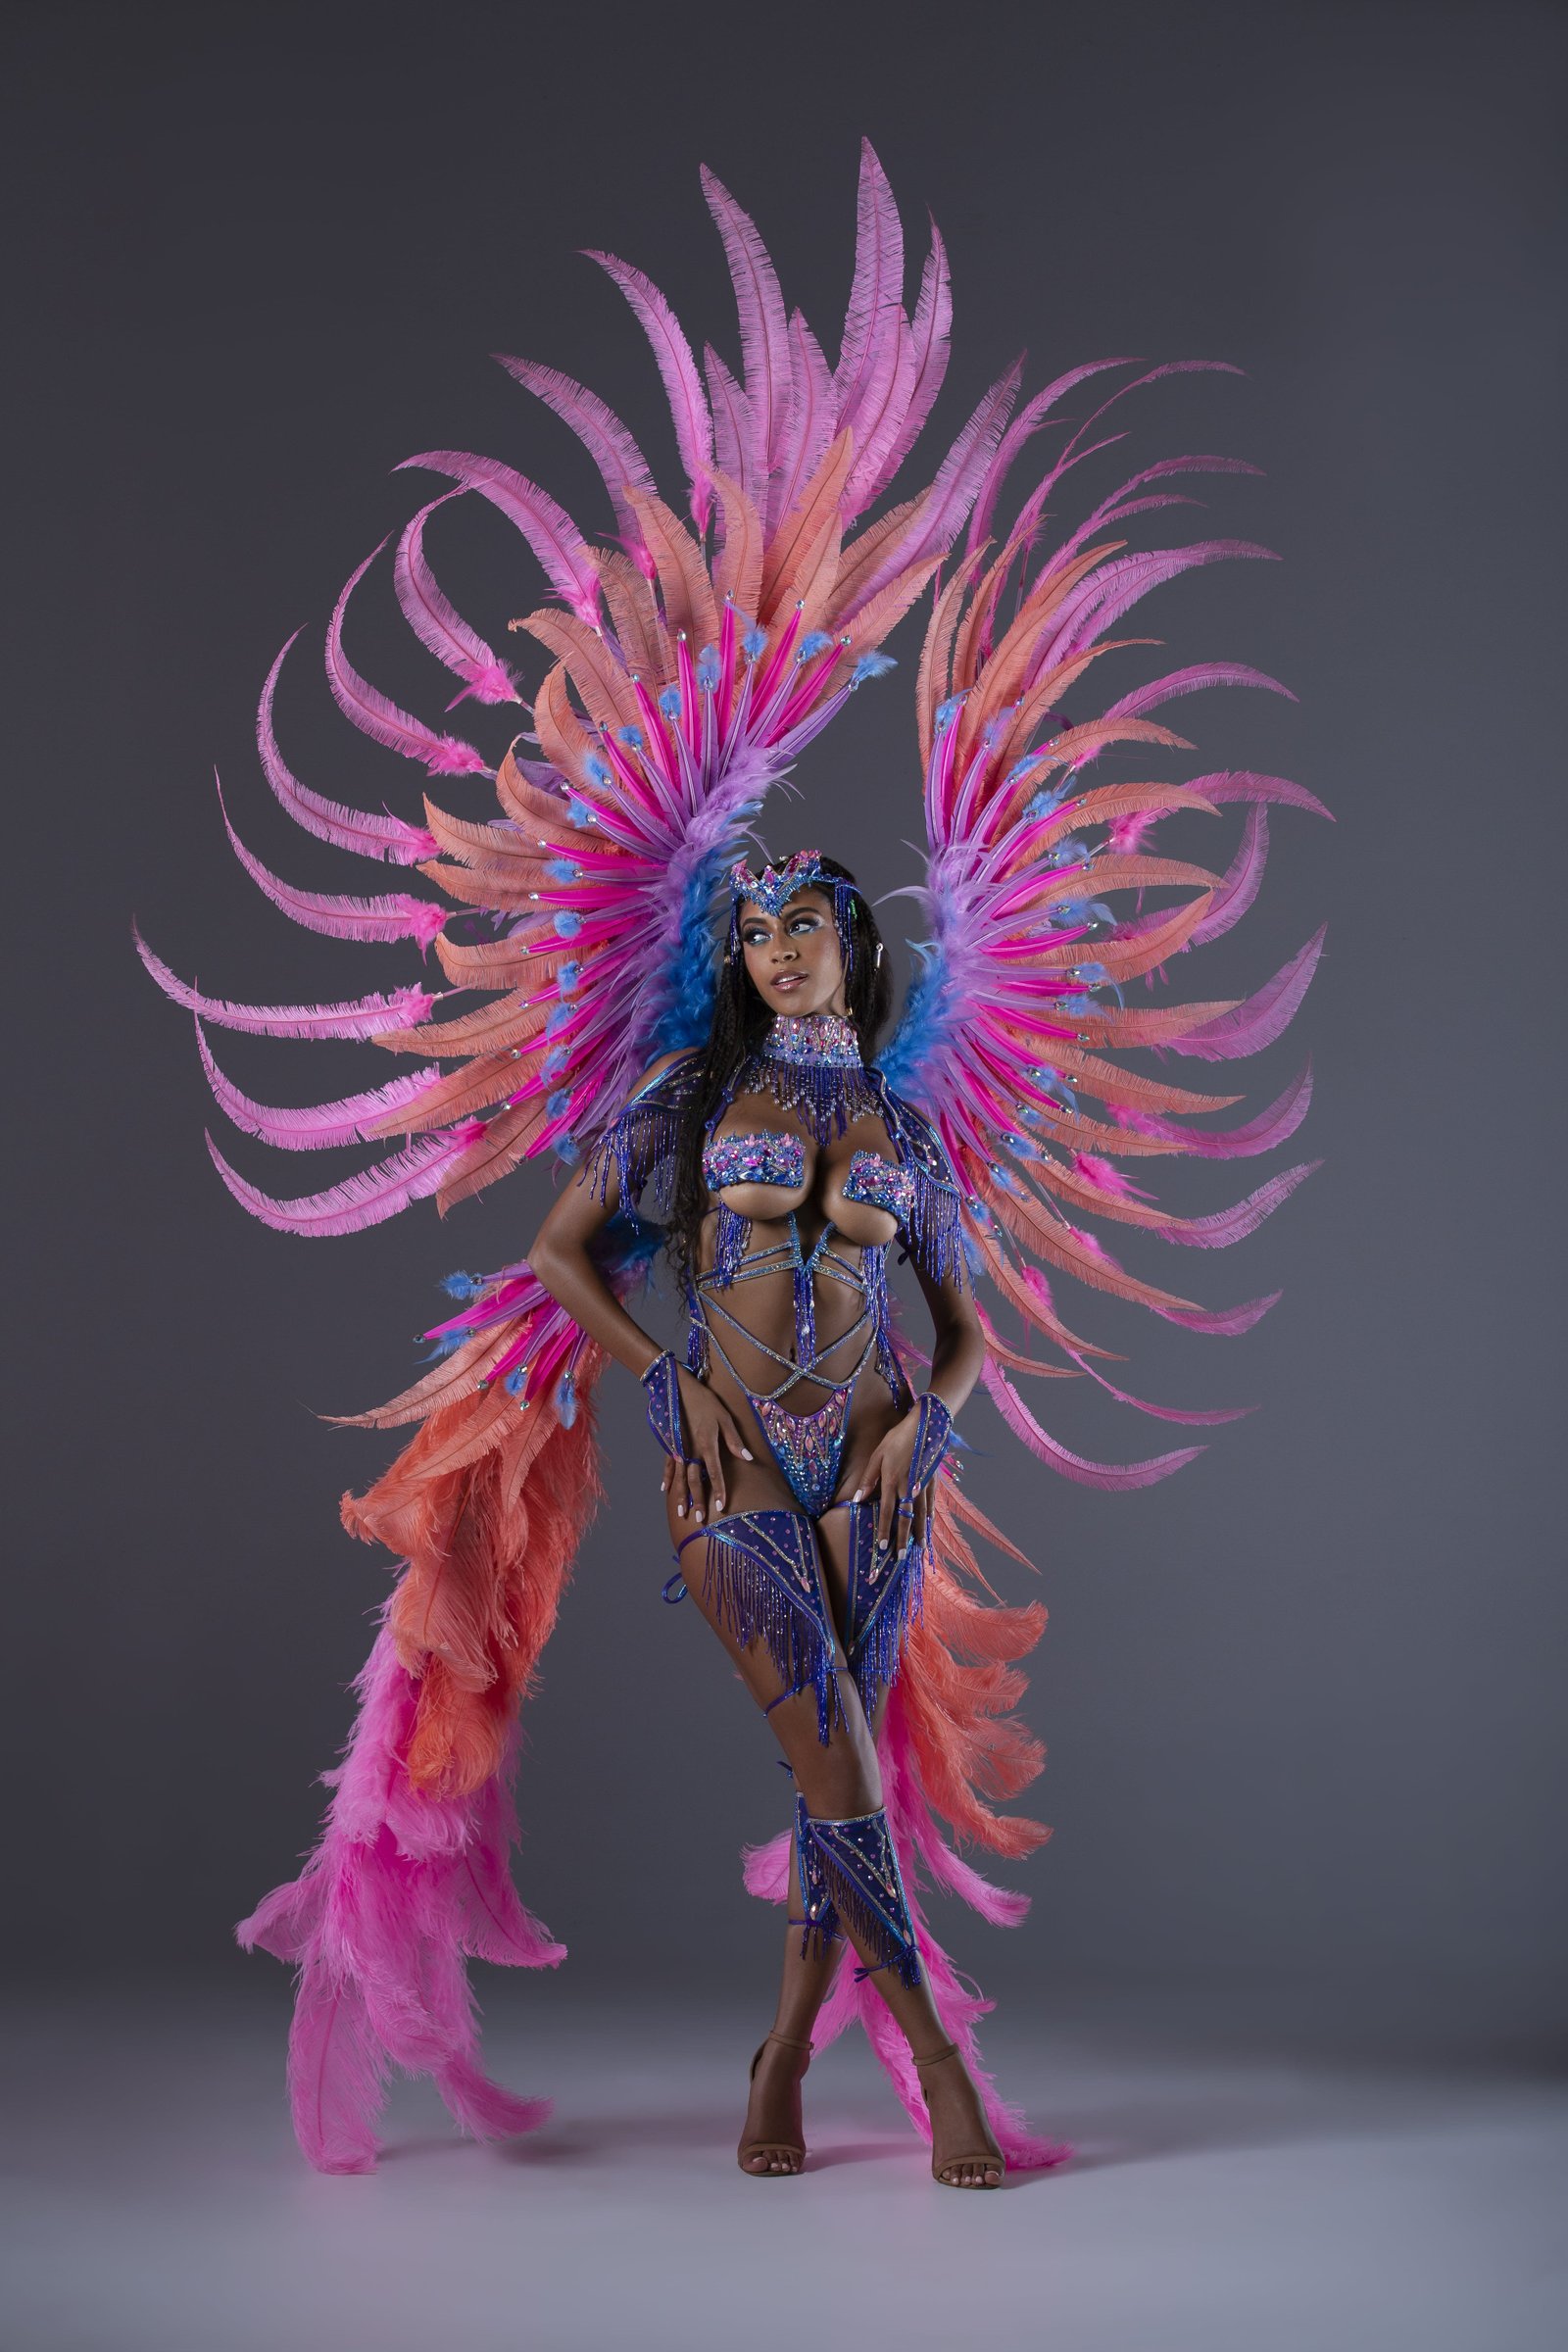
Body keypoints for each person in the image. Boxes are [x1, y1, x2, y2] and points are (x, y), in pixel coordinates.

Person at [141, 142, 1320, 2180]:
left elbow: (953, 1318)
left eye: (808, 928)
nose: (779, 948)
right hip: (730, 1453)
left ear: (854, 947)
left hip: (880, 1457)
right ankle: (937, 2078)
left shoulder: (911, 1120)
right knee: (833, 1751)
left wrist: (926, 1419)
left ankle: (781, 2067)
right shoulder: (691, 1102)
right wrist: (670, 1373)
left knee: (833, 1760)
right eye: (757, 929)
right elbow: (570, 1251)